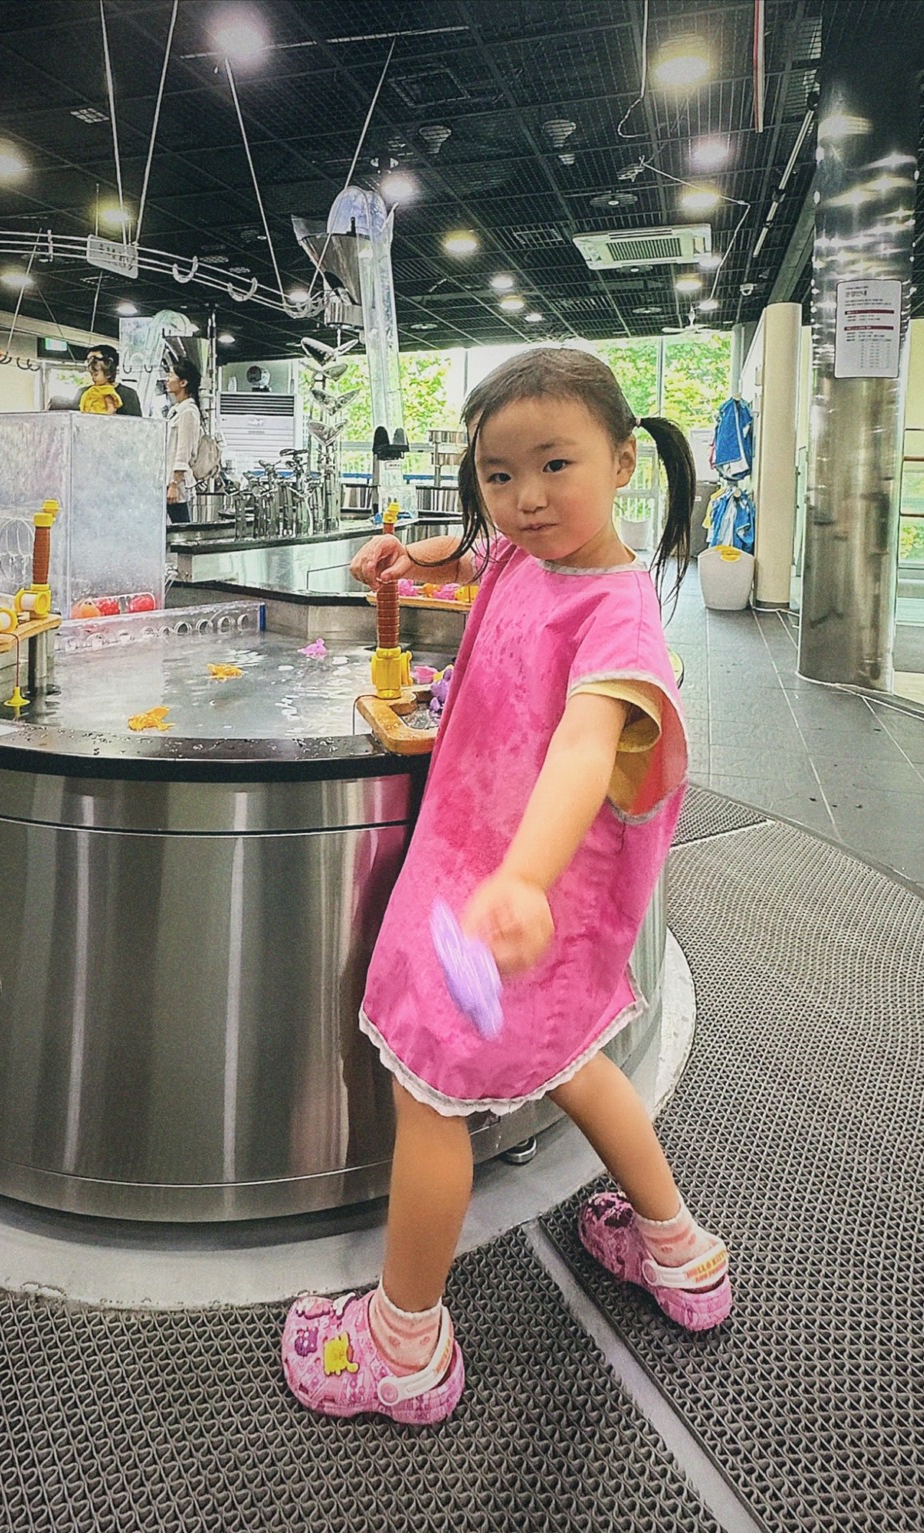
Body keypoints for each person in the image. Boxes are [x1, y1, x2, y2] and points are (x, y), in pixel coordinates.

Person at [281, 348, 730, 1428]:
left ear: (624, 461)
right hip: (514, 901)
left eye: (555, 465)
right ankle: (679, 1248)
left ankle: (402, 1344)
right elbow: (483, 564)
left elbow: (585, 748)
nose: (525, 499)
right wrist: (413, 557)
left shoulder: (620, 621)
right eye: (496, 474)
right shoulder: (535, 557)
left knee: (430, 1095)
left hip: (519, 906)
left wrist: (523, 879)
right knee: (577, 1064)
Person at [164, 358, 202, 524]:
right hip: (167, 480)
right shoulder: (176, 410)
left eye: (171, 375)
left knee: (181, 527)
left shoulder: (188, 411)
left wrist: (174, 483)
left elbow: (183, 450)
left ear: (183, 382)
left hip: (176, 483)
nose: (167, 379)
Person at [76, 345, 142, 416]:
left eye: (95, 360)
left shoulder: (128, 394)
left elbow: (136, 423)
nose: (91, 363)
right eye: (88, 360)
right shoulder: (83, 392)